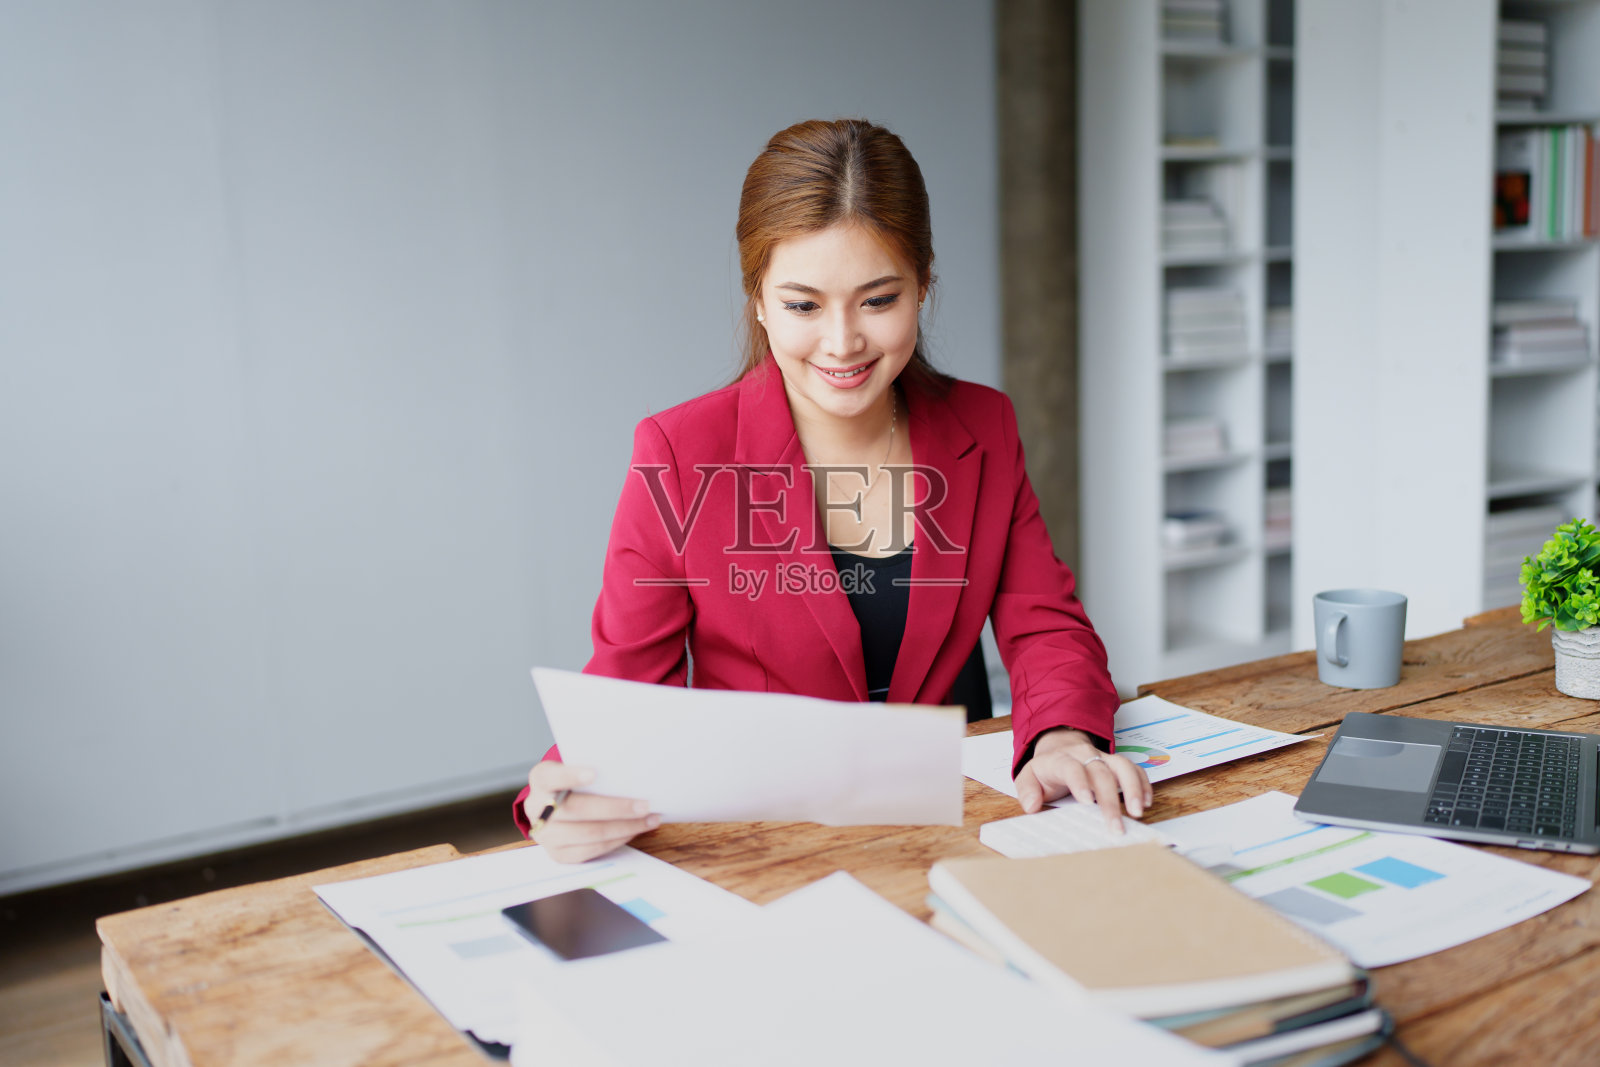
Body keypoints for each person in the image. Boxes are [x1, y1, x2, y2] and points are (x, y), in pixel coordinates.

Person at [515, 118, 1149, 863]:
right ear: (758, 299)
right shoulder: (680, 453)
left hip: (958, 825)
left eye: (878, 300)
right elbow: (624, 685)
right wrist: (553, 799)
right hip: (767, 840)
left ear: (923, 287)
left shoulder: (984, 424)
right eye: (803, 304)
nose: (843, 342)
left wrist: (1062, 737)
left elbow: (1043, 622)